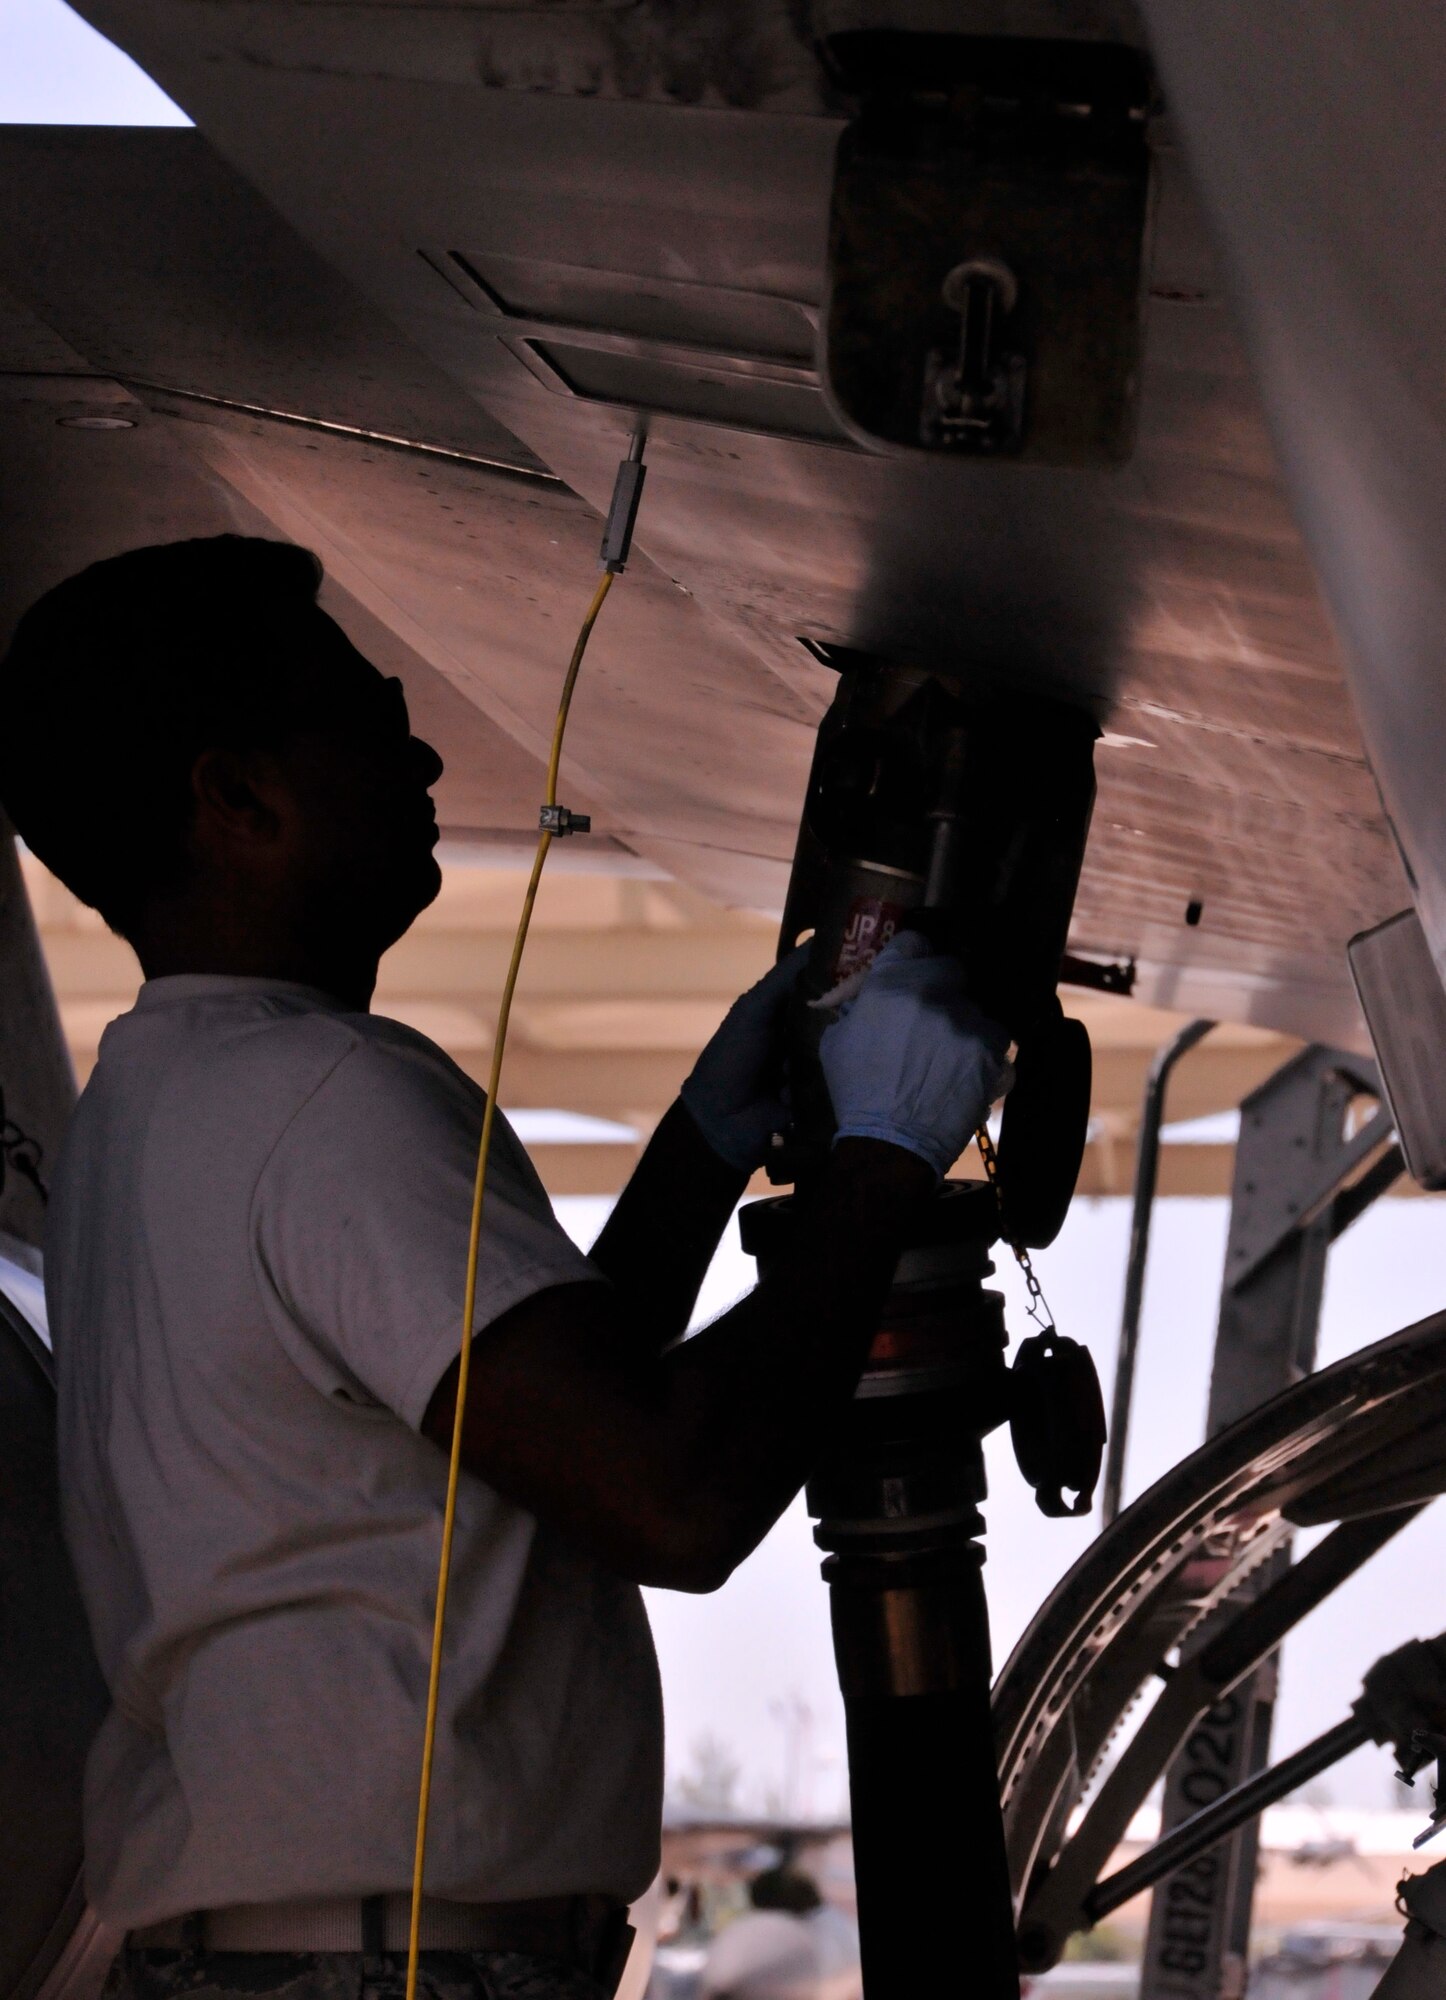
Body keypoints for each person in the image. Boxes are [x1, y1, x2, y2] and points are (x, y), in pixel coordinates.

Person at [0, 537, 1007, 2000]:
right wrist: (883, 1162)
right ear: (238, 799)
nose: (421, 757)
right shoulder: (326, 1095)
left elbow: (539, 1445)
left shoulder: (146, 1109)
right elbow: (667, 1499)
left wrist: (703, 1146)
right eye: (370, 721)